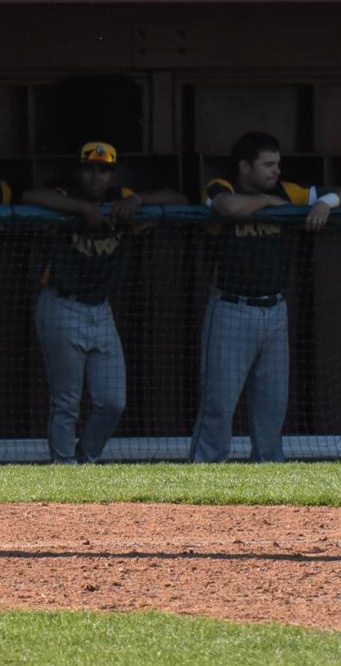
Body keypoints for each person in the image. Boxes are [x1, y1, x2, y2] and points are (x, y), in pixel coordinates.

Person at [19, 141, 186, 463]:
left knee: (113, 401)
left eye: (104, 170)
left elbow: (178, 199)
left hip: (101, 309)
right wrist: (82, 209)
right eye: (89, 169)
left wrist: (138, 199)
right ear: (79, 170)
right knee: (67, 401)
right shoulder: (65, 196)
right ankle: (64, 468)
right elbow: (29, 196)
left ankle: (86, 458)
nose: (96, 177)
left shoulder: (121, 199)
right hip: (61, 304)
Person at [189, 131, 333, 462]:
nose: (275, 172)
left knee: (272, 402)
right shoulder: (221, 186)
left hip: (274, 310)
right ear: (244, 166)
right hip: (230, 308)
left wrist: (324, 202)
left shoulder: (290, 191)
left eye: (277, 165)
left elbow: (336, 194)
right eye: (267, 165)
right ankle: (205, 474)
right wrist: (268, 204)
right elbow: (226, 208)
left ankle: (269, 471)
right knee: (219, 402)